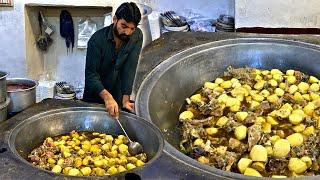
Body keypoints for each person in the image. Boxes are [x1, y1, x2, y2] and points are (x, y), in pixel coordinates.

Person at [83, 2, 142, 118]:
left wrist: (125, 100)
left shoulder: (137, 36)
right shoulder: (96, 41)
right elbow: (91, 76)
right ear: (115, 19)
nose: (128, 32)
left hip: (117, 94)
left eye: (132, 28)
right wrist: (107, 97)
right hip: (95, 95)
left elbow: (130, 67)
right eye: (124, 26)